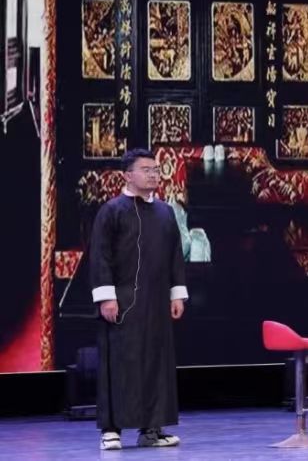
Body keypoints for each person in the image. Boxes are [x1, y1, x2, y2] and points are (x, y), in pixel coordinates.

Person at [89, 148, 188, 451]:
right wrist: (106, 297)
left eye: (156, 169)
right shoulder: (112, 211)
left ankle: (151, 430)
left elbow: (175, 256)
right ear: (127, 175)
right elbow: (100, 256)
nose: (153, 174)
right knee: (120, 363)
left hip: (156, 301)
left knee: (157, 362)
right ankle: (111, 430)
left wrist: (177, 294)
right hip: (121, 301)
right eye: (146, 170)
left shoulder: (165, 212)